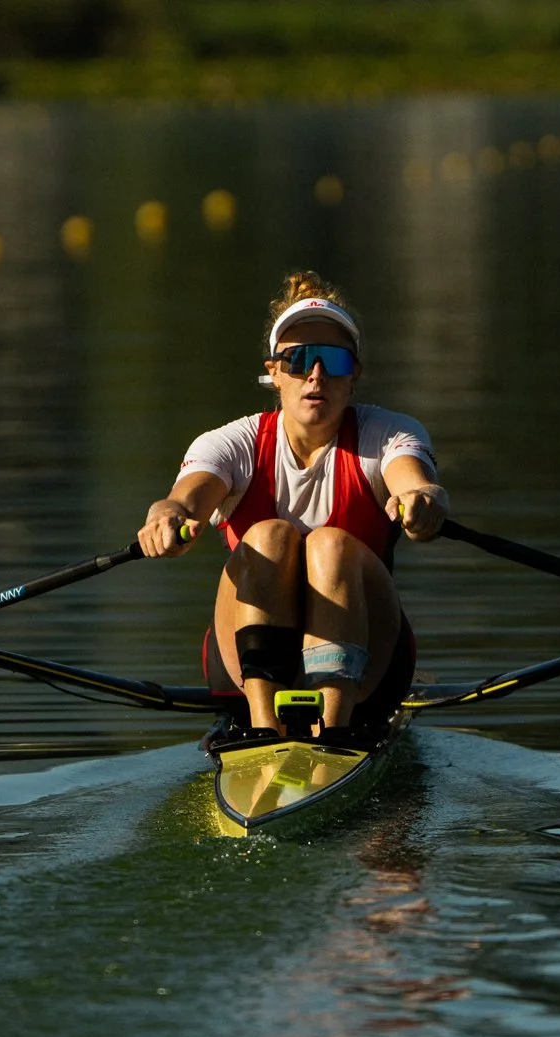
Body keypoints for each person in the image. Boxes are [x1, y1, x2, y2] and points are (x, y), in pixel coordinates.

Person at [139, 272, 448, 747]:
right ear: (275, 372)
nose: (316, 374)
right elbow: (185, 498)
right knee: (269, 537)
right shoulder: (233, 442)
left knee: (330, 544)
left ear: (354, 374)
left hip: (374, 666)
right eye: (299, 359)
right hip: (240, 669)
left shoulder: (388, 435)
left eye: (333, 359)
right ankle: (263, 728)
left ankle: (335, 730)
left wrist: (422, 501)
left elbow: (416, 482)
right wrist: (167, 516)